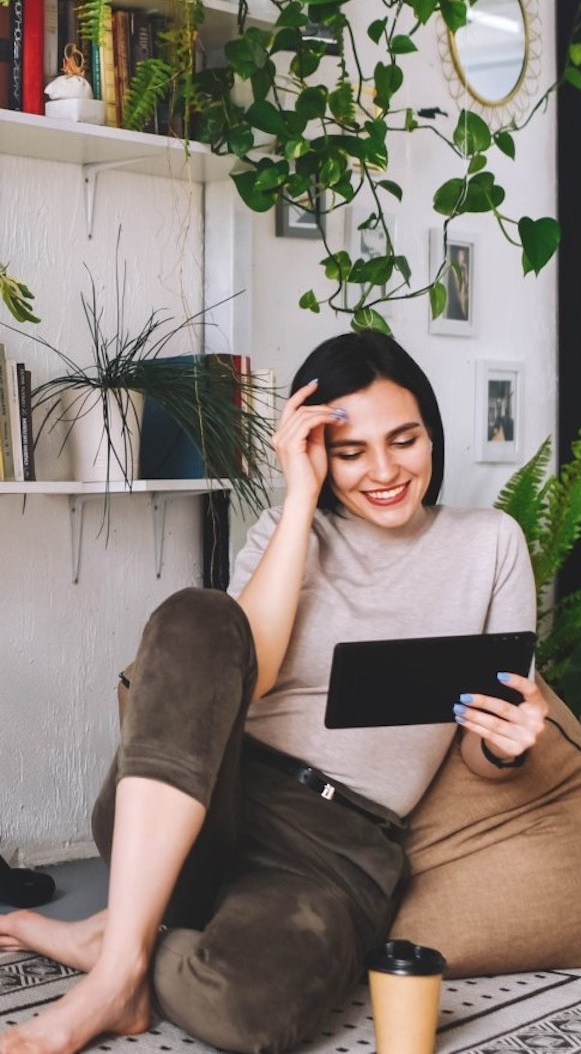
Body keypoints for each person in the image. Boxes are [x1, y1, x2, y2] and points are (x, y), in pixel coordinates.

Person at [0, 332, 546, 1054]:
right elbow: (239, 661)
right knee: (199, 612)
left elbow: (482, 737)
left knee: (245, 1017)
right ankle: (117, 978)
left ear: (432, 435)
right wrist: (298, 500)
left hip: (335, 847)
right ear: (320, 451)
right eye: (351, 453)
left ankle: (119, 936)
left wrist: (508, 745)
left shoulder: (491, 544)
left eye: (405, 440)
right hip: (200, 801)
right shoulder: (290, 532)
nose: (384, 471)